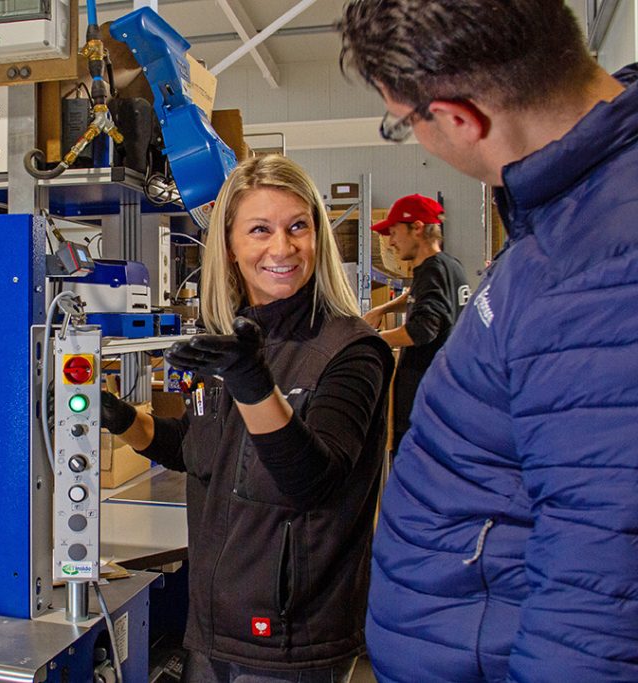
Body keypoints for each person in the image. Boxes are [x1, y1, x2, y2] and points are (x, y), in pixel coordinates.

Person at [339, 1, 638, 681]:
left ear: (458, 118)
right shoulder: (575, 209)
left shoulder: (597, 265)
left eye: (402, 123)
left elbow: (600, 595)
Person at [101, 154, 393, 682]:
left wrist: (251, 381)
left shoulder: (352, 351)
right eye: (260, 230)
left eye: (297, 227)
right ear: (231, 247)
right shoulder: (235, 342)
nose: (281, 248)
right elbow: (197, 448)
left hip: (292, 638)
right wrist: (115, 415)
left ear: (318, 237)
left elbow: (310, 480)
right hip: (213, 622)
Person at [362, 194, 470, 450]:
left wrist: (371, 339)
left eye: (394, 232)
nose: (390, 242)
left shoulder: (433, 270)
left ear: (417, 228)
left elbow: (422, 331)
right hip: (444, 399)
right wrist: (383, 308)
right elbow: (417, 296)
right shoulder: (448, 266)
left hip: (426, 401)